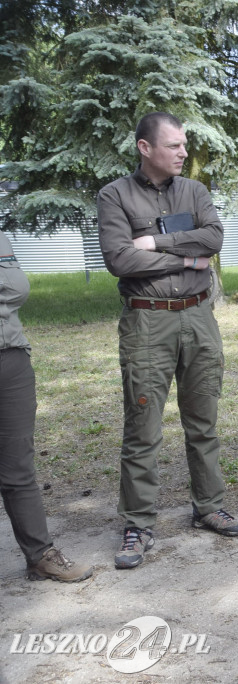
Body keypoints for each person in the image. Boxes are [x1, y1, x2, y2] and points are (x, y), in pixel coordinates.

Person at [97, 112, 238, 570]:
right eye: (175, 146)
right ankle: (138, 523)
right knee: (142, 428)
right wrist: (188, 260)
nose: (183, 152)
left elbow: (214, 238)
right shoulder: (115, 196)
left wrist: (157, 245)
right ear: (146, 148)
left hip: (199, 319)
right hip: (148, 324)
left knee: (204, 420)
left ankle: (208, 506)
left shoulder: (194, 192)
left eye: (184, 145)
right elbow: (120, 261)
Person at [0, 233, 94, 582]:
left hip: (10, 358)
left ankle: (40, 556)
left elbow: (17, 292)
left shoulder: (2, 239)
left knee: (18, 467)